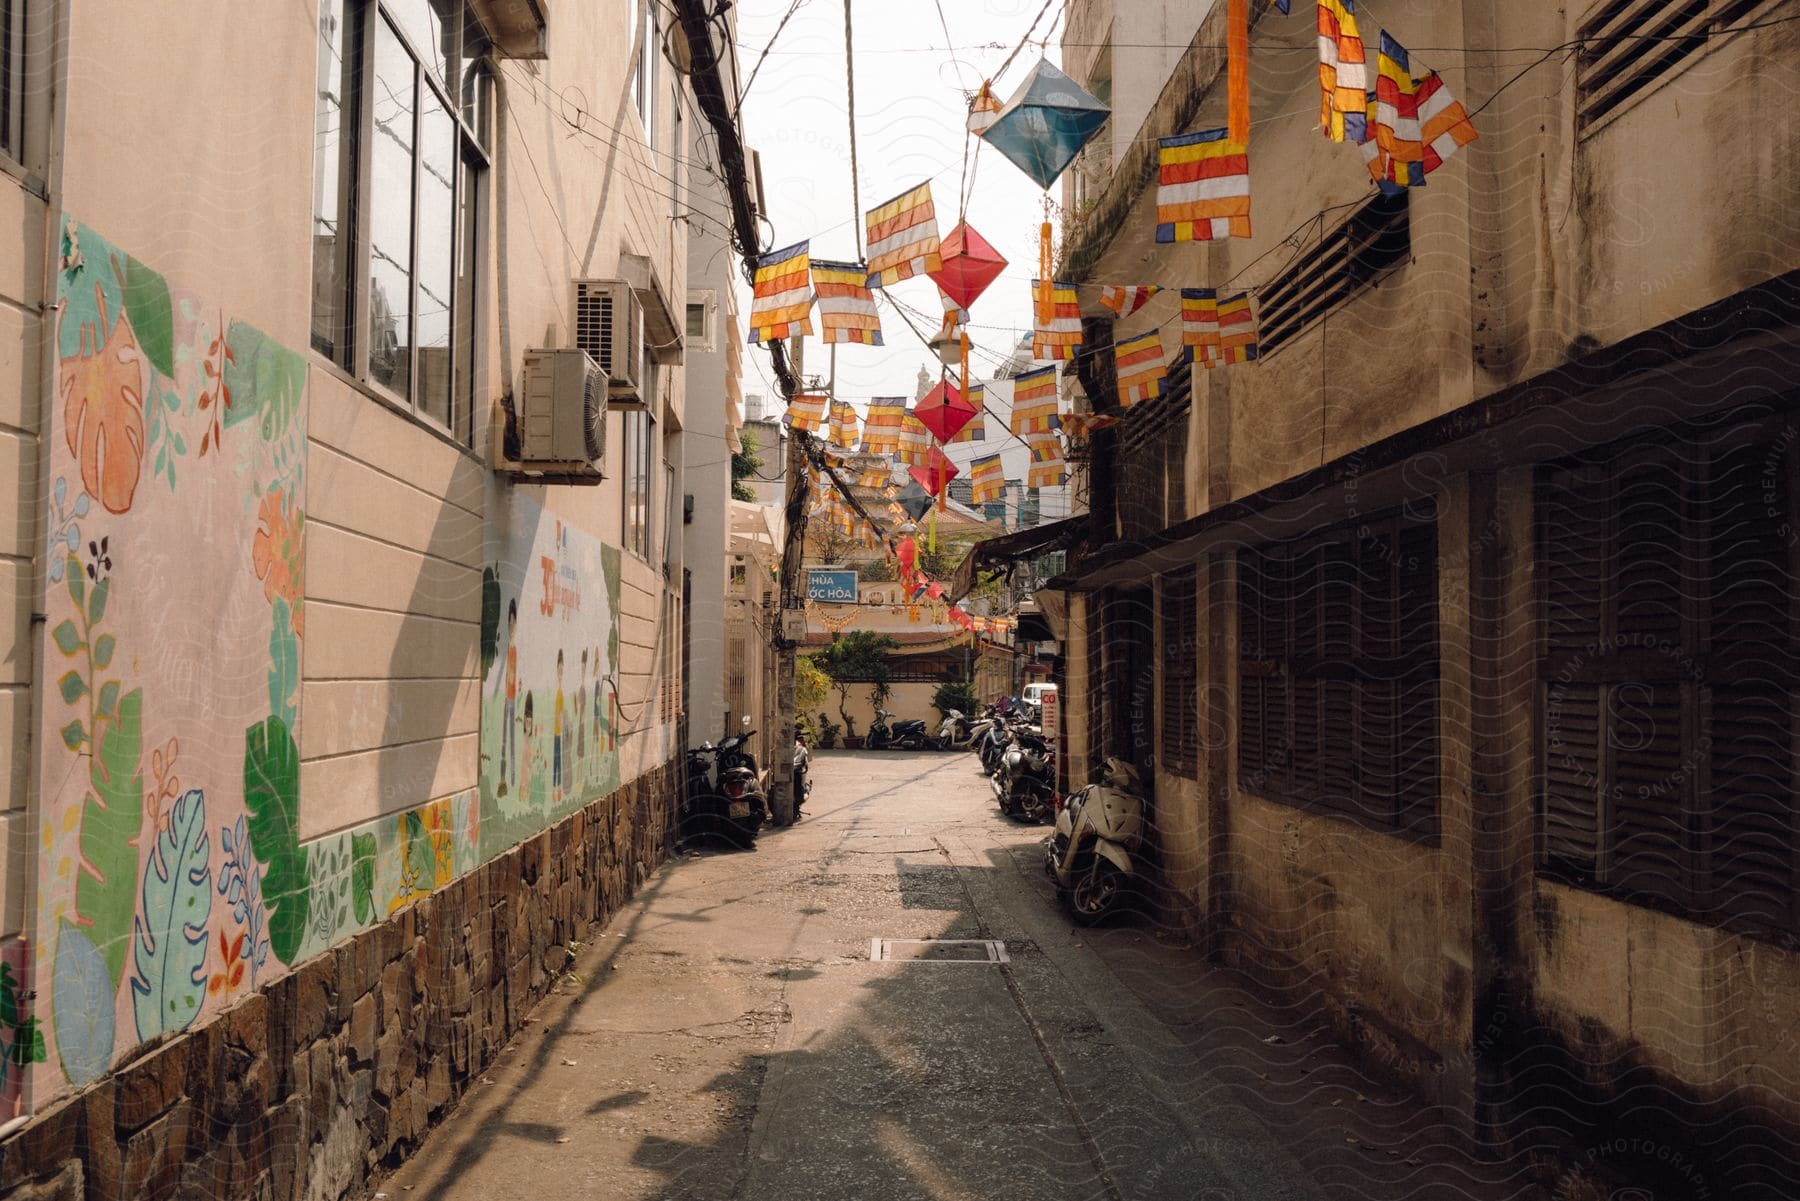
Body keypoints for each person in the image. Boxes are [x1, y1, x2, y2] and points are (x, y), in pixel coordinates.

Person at [499, 600, 519, 796]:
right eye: (510, 625)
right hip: (506, 699)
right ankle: (503, 778)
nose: (512, 629)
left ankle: (513, 774)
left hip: (512, 699)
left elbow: (513, 677)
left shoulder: (514, 652)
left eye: (514, 625)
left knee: (512, 738)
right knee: (504, 740)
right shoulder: (507, 651)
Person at [553, 651, 566, 806]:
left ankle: (558, 790)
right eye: (559, 669)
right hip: (555, 733)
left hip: (559, 733)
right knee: (556, 761)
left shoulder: (561, 693)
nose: (560, 672)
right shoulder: (557, 692)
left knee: (559, 761)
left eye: (562, 669)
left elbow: (561, 713)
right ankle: (555, 790)